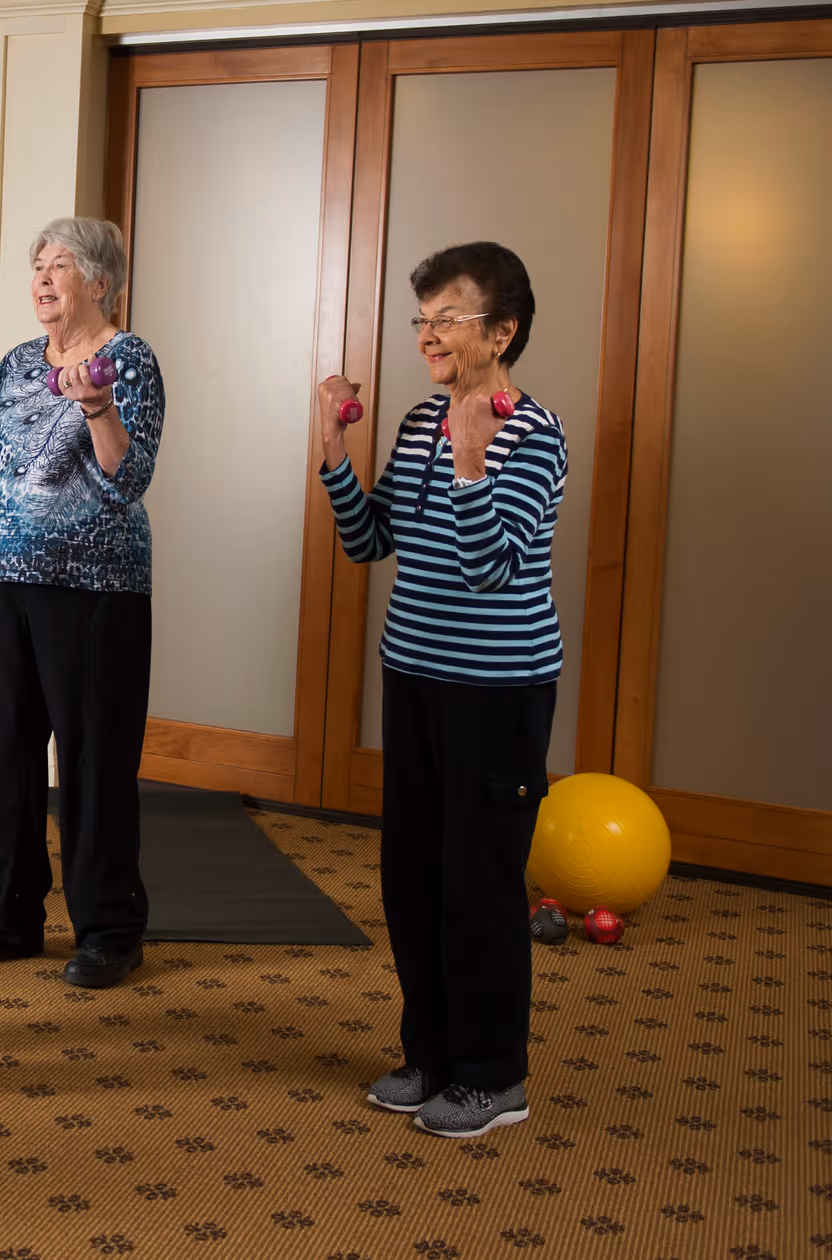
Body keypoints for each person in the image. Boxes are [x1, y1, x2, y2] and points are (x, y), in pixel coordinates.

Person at [316, 241, 565, 1138]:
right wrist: (337, 453)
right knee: (412, 874)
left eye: (446, 319)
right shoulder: (425, 419)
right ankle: (432, 1057)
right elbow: (369, 541)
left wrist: (470, 467)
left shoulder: (535, 435)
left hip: (498, 689)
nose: (428, 335)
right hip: (414, 673)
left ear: (503, 331)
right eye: (421, 320)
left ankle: (494, 1076)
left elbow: (491, 568)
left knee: (480, 883)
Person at [0, 216, 164, 988]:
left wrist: (98, 408)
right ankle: (7, 915)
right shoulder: (14, 364)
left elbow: (127, 480)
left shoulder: (128, 359)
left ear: (100, 282)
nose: (42, 278)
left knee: (93, 760)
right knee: (6, 754)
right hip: (5, 578)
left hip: (96, 589)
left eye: (60, 265)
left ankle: (109, 927)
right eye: (36, 264)